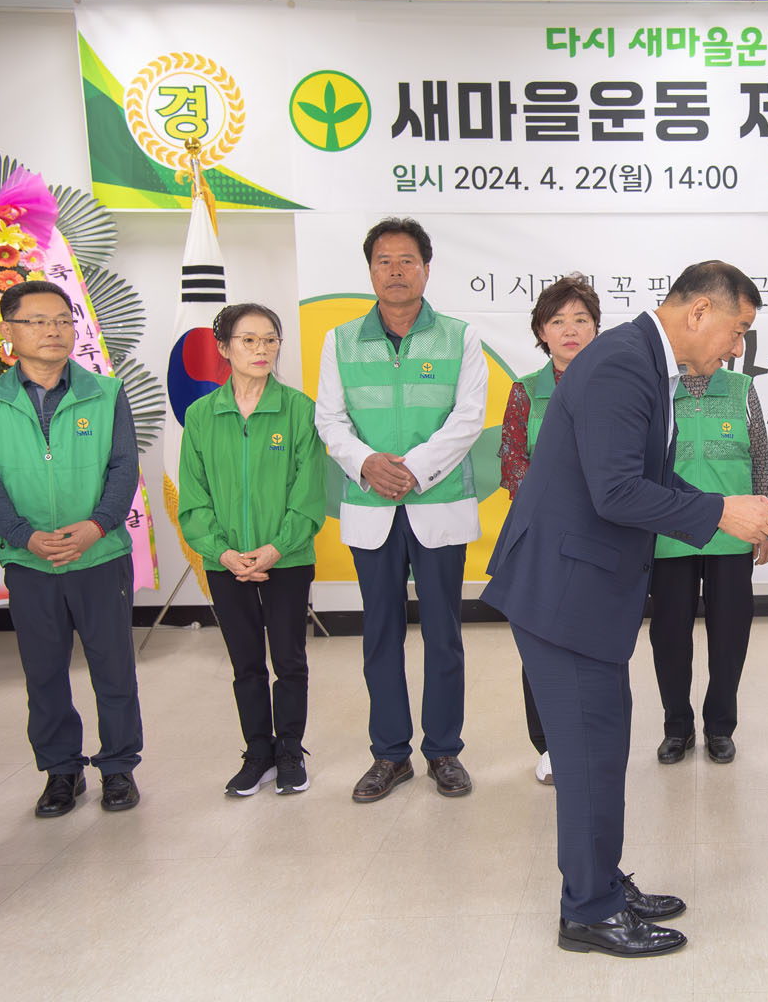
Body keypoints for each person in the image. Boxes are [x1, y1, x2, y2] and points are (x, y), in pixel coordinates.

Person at [481, 260, 768, 958]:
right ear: (699, 312)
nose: (737, 347)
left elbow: (650, 476)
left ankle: (603, 883)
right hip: (564, 591)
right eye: (737, 329)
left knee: (603, 747)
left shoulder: (641, 359)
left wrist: (730, 508)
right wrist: (720, 513)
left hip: (585, 588)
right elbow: (617, 491)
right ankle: (588, 912)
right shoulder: (624, 364)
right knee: (589, 755)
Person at [315, 217, 488, 802]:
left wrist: (413, 468)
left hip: (438, 504)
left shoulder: (460, 337)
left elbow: (468, 417)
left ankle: (444, 751)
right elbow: (329, 418)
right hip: (371, 506)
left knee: (444, 635)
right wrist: (366, 462)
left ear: (426, 269)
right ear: (370, 271)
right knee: (380, 636)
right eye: (384, 261)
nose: (395, 271)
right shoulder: (340, 340)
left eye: (407, 260)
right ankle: (389, 755)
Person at [0, 279, 144, 817]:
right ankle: (61, 771)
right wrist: (25, 536)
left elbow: (123, 466)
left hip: (99, 556)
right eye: (38, 321)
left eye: (63, 320)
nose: (53, 330)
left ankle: (118, 768)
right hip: (29, 561)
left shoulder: (105, 393)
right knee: (43, 673)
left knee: (114, 669)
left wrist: (98, 525)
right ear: (8, 330)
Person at [178, 302, 327, 796]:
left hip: (287, 559)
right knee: (245, 663)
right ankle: (258, 752)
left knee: (289, 660)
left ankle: (290, 751)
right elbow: (193, 496)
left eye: (270, 339)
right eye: (248, 340)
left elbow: (310, 492)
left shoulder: (300, 409)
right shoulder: (201, 415)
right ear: (224, 348)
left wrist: (276, 548)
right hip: (225, 563)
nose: (261, 349)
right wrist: (223, 553)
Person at [649, 344, 768, 766]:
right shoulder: (660, 389)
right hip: (672, 536)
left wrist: (766, 525)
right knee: (669, 638)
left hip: (732, 538)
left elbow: (760, 458)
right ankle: (676, 727)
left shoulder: (742, 388)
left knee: (730, 636)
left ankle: (720, 727)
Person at [499, 273, 601, 786]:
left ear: (597, 328)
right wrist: (559, 506)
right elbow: (512, 463)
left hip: (601, 534)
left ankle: (593, 736)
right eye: (558, 321)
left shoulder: (614, 385)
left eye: (581, 319)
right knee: (542, 641)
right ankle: (549, 743)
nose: (570, 330)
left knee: (594, 641)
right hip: (540, 538)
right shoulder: (525, 391)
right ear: (542, 332)